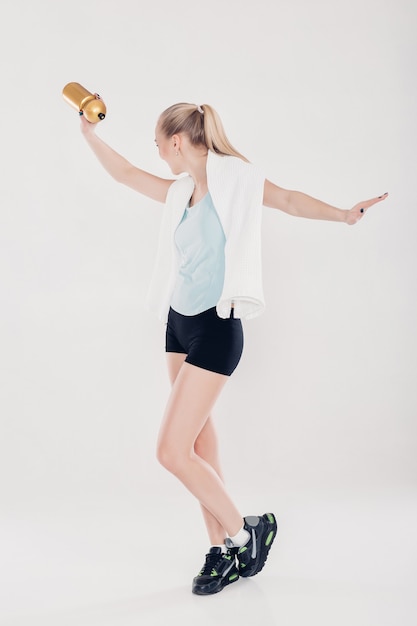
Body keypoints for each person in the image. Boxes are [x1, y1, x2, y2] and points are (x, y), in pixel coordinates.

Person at [77, 101, 388, 595]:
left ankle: (248, 533)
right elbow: (127, 175)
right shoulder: (182, 192)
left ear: (178, 141)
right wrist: (89, 136)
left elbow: (286, 199)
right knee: (199, 444)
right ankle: (220, 551)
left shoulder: (236, 180)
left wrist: (343, 215)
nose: (157, 153)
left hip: (217, 328)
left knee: (169, 450)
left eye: (159, 143)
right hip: (177, 326)